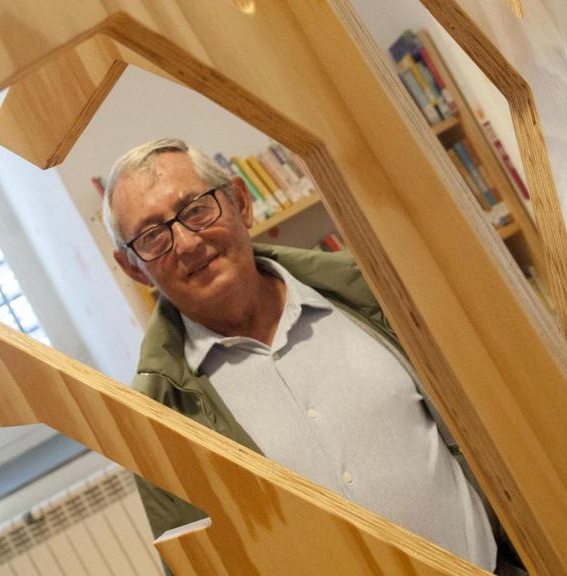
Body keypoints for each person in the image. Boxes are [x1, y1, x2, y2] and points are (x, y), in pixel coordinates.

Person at [103, 138, 520, 574]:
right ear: (134, 268)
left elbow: (502, 424)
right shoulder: (158, 417)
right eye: (153, 236)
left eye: (196, 210)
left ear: (241, 203)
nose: (186, 242)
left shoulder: (377, 294)